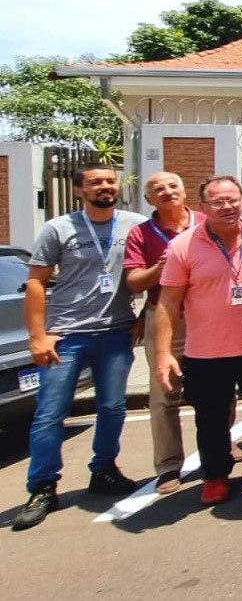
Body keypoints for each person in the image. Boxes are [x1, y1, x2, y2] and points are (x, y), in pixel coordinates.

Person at [13, 163, 147, 532]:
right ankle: (42, 486)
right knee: (50, 413)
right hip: (66, 335)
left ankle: (104, 469)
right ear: (79, 190)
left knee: (112, 407)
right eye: (95, 182)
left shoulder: (135, 225)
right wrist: (37, 336)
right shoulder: (58, 228)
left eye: (109, 181)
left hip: (116, 332)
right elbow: (36, 283)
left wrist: (144, 316)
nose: (105, 186)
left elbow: (155, 273)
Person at [152, 176, 242, 505]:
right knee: (211, 418)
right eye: (218, 202)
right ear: (203, 207)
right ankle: (216, 476)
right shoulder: (183, 246)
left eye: (233, 199)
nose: (228, 206)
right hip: (206, 351)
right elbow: (168, 303)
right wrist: (163, 353)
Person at [123, 171, 227, 496]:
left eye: (173, 186)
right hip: (167, 316)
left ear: (185, 192)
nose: (167, 192)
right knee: (164, 393)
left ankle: (224, 443)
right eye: (159, 189)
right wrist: (161, 268)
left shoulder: (206, 221)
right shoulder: (141, 234)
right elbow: (134, 282)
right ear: (149, 199)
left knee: (220, 385)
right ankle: (168, 464)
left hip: (209, 314)